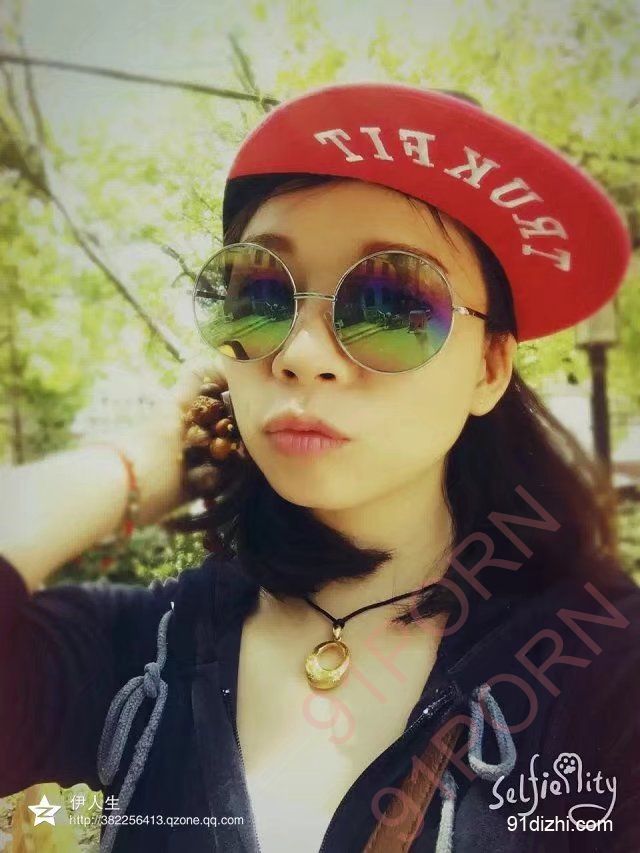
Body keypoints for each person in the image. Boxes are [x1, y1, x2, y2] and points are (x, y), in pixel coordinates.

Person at [1, 81, 639, 853]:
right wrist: (142, 461)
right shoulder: (146, 650)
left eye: (392, 303)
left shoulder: (601, 668)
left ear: (489, 368)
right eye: (259, 294)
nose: (301, 354)